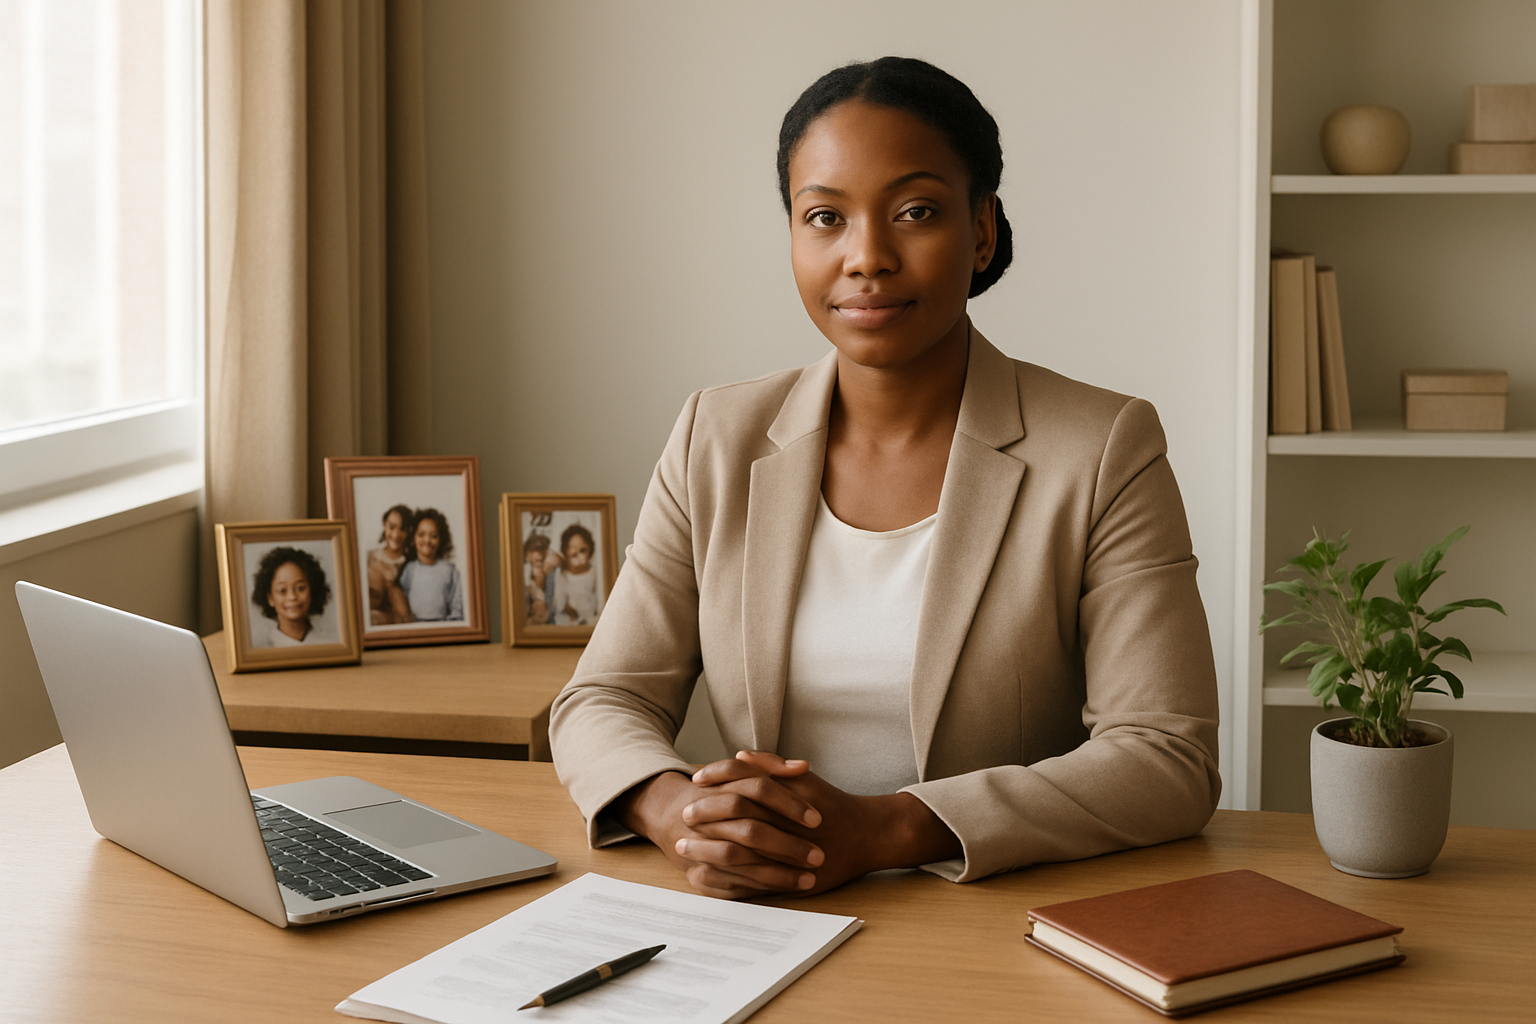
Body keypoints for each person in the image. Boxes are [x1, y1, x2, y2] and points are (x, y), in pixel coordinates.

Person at [548, 57, 1221, 900]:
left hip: (987, 921)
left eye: (915, 212)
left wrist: (888, 829)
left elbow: (1167, 756)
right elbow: (603, 697)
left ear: (982, 230)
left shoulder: (1103, 447)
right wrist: (678, 812)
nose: (867, 256)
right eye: (824, 217)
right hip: (760, 915)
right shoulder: (714, 437)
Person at [250, 546, 334, 646]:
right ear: (270, 598)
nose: (292, 596)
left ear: (313, 590)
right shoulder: (261, 648)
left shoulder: (332, 643)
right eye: (282, 591)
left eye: (300, 588)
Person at [398, 508, 464, 622]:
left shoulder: (449, 570)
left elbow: (457, 608)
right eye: (421, 534)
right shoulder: (409, 570)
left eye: (433, 536)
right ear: (413, 538)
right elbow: (402, 603)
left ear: (441, 540)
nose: (427, 541)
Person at [366, 504, 413, 625]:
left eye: (402, 529)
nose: (396, 535)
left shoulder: (410, 565)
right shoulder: (368, 557)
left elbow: (405, 616)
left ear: (409, 532)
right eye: (391, 527)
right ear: (384, 526)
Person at [549, 523, 604, 626]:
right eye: (573, 552)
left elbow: (601, 603)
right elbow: (558, 604)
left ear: (590, 551)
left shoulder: (594, 573)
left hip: (591, 623)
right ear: (565, 552)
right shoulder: (561, 574)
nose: (577, 556)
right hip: (567, 625)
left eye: (582, 551)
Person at [523, 530, 555, 626]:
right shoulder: (524, 578)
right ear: (528, 554)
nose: (540, 554)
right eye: (535, 550)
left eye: (543, 550)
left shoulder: (551, 576)